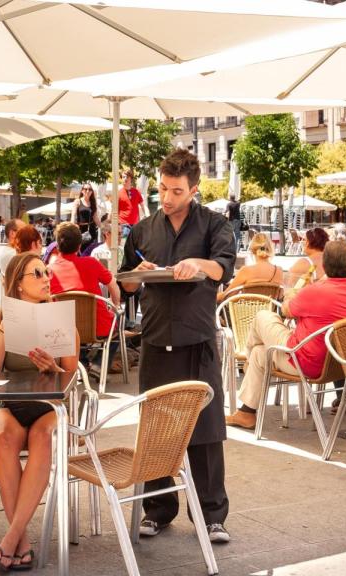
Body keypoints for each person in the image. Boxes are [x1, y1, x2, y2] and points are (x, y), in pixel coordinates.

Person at [119, 149, 235, 543]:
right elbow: (127, 285)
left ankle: (212, 514)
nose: (167, 198)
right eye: (163, 188)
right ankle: (158, 509)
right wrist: (139, 273)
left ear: (194, 190)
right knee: (155, 429)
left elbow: (221, 268)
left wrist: (196, 264)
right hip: (154, 338)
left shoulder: (215, 224)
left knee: (205, 429)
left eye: (176, 191)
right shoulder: (142, 230)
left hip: (196, 339)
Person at [0, 253, 79, 571]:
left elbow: (71, 376)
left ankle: (10, 541)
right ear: (18, 285)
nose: (45, 277)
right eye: (36, 273)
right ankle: (21, 542)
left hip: (49, 405)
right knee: (6, 437)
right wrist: (10, 327)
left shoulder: (60, 318)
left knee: (43, 435)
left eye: (46, 271)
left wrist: (53, 368)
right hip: (8, 404)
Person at [226, 242, 346, 429]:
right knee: (260, 352)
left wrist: (291, 294)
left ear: (325, 265)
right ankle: (246, 413)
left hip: (305, 363)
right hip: (345, 366)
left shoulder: (315, 291)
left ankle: (246, 362)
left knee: (262, 316)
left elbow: (285, 310)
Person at [49, 222, 121, 339]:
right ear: (79, 246)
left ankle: (81, 356)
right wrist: (115, 305)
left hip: (63, 334)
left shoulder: (49, 271)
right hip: (99, 329)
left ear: (57, 246)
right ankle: (98, 357)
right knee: (117, 326)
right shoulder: (91, 263)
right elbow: (113, 285)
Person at [217, 233, 283, 301]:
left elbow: (227, 295)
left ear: (252, 251)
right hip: (270, 310)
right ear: (270, 249)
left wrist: (213, 296)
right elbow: (280, 296)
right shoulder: (279, 270)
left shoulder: (246, 270)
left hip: (247, 311)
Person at [286, 227, 329, 295]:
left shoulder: (304, 263)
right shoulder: (333, 260)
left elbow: (290, 289)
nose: (303, 243)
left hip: (312, 301)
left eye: (304, 240)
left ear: (308, 242)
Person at [70, 183, 100, 251]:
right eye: (85, 189)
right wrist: (71, 228)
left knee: (91, 251)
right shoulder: (77, 201)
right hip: (80, 230)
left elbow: (95, 218)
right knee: (79, 251)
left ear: (92, 192)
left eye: (89, 189)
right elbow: (73, 216)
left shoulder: (93, 203)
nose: (87, 191)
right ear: (82, 191)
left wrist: (104, 228)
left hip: (91, 230)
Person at [117, 169, 145, 237]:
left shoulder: (136, 191)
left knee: (136, 246)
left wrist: (146, 215)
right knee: (125, 245)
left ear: (131, 179)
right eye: (123, 177)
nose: (125, 179)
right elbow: (114, 210)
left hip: (136, 225)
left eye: (127, 177)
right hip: (123, 225)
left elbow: (143, 206)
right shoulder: (118, 193)